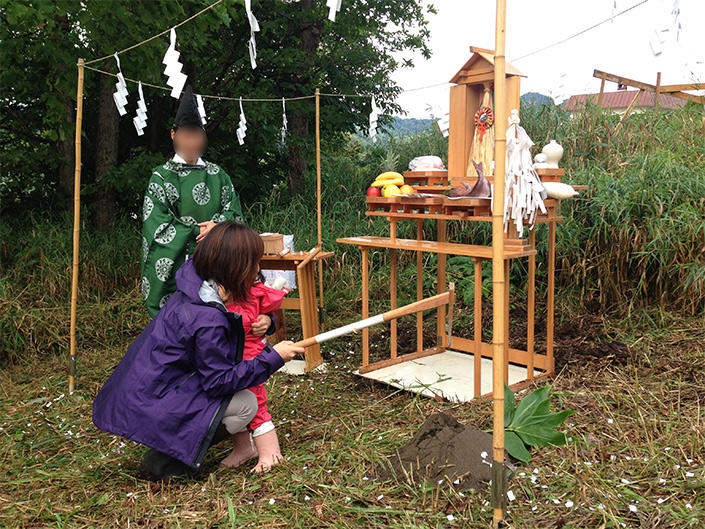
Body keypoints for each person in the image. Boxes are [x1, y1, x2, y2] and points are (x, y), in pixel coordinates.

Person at [92, 221, 305, 480]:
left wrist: (268, 322)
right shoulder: (208, 318)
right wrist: (273, 358)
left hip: (150, 391)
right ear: (234, 266)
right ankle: (170, 456)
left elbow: (246, 315)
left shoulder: (198, 285)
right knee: (246, 404)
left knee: (236, 397)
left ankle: (171, 446)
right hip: (153, 401)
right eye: (253, 263)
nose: (257, 270)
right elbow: (218, 382)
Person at [141, 85, 258, 323]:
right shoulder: (161, 177)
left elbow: (234, 212)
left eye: (196, 135)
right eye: (186, 135)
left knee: (215, 319)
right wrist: (199, 231)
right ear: (173, 135)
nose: (192, 142)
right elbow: (158, 225)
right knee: (178, 321)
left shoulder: (218, 175)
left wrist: (218, 228)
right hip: (179, 262)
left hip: (217, 259)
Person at [223, 272, 290, 473]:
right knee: (233, 396)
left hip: (249, 359)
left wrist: (267, 321)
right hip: (228, 360)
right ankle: (244, 448)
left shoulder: (249, 290)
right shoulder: (216, 287)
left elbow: (257, 312)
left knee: (256, 403)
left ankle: (271, 453)